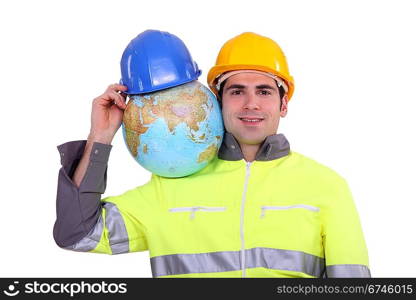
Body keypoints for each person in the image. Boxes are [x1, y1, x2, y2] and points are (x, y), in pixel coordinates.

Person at [54, 32, 370, 278]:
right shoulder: (167, 187)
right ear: (217, 101)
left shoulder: (327, 187)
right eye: (236, 91)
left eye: (264, 91)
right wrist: (101, 136)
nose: (251, 103)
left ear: (283, 104)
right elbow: (77, 234)